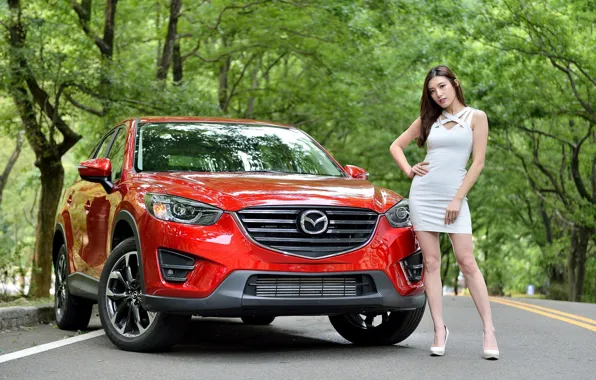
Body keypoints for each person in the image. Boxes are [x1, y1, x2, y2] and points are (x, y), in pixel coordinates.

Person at [389, 65, 499, 360]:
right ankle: (439, 329)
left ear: (455, 84)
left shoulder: (476, 117)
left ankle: (488, 330)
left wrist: (457, 199)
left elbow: (477, 163)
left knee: (467, 261)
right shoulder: (428, 120)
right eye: (432, 90)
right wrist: (409, 169)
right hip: (423, 195)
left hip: (455, 198)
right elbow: (396, 146)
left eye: (442, 87)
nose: (438, 94)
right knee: (431, 262)